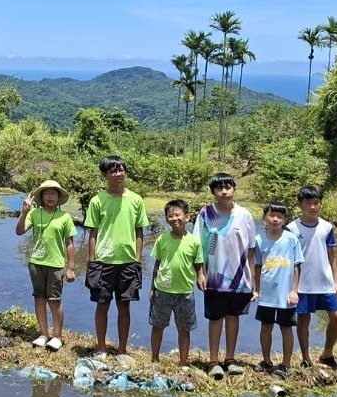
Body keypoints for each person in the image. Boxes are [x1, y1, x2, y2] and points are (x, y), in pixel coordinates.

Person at [83, 156, 150, 358]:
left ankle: (122, 349)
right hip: (103, 261)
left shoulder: (136, 200)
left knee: (124, 305)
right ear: (105, 175)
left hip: (128, 262)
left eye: (121, 169)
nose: (118, 174)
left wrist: (138, 260)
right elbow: (92, 233)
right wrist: (92, 260)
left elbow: (139, 232)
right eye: (113, 171)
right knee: (102, 304)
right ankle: (101, 347)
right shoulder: (97, 201)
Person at [194, 173, 257, 379]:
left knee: (233, 317)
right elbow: (198, 247)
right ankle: (213, 361)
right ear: (213, 192)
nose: (224, 191)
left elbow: (250, 250)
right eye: (219, 188)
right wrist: (200, 273)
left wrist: (253, 283)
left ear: (234, 189)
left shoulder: (245, 215)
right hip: (214, 277)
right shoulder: (205, 214)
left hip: (239, 279)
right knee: (215, 319)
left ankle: (230, 359)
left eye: (228, 187)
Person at [289, 185, 337, 371]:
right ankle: (306, 358)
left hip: (325, 282)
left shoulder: (327, 226)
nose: (313, 207)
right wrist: (291, 286)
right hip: (302, 284)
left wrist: (336, 282)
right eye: (308, 203)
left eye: (316, 203)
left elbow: (331, 255)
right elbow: (287, 258)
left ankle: (327, 354)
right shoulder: (291, 228)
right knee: (303, 321)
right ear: (300, 205)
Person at [16, 179, 76, 351]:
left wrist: (70, 267)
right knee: (39, 298)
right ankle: (43, 333)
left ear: (58, 197)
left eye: (53, 193)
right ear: (41, 197)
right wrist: (24, 212)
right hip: (36, 262)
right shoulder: (35, 214)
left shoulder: (65, 217)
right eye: (47, 193)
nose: (50, 196)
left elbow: (70, 243)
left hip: (56, 264)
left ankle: (57, 336)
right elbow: (19, 231)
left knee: (55, 300)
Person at [148, 199, 203, 367]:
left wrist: (201, 276)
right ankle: (155, 358)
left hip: (185, 291)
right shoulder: (162, 239)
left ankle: (183, 362)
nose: (174, 218)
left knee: (184, 329)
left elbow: (199, 264)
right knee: (158, 325)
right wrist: (152, 288)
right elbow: (157, 265)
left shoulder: (194, 241)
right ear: (166, 219)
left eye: (177, 215)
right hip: (162, 290)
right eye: (170, 216)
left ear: (187, 217)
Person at [252, 202, 304, 378]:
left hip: (286, 293)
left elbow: (297, 266)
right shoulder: (259, 240)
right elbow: (257, 266)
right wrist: (256, 289)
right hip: (267, 292)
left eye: (279, 216)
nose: (275, 219)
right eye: (271, 215)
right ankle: (266, 361)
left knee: (286, 327)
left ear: (285, 220)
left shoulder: (291, 239)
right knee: (266, 326)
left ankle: (286, 363)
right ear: (264, 217)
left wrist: (294, 290)